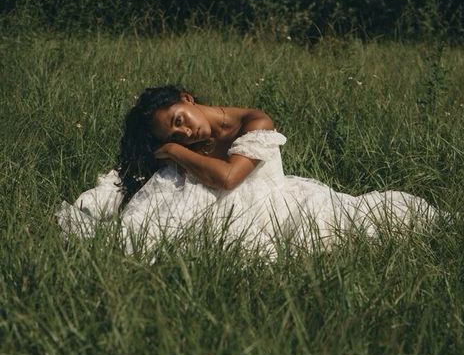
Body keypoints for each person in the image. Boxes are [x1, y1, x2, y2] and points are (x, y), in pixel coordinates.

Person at [56, 85, 437, 255]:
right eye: (174, 132)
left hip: (268, 203)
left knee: (353, 225)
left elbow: (228, 178)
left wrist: (172, 149)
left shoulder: (255, 121)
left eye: (180, 118)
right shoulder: (188, 144)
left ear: (187, 99)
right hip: (213, 207)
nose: (185, 131)